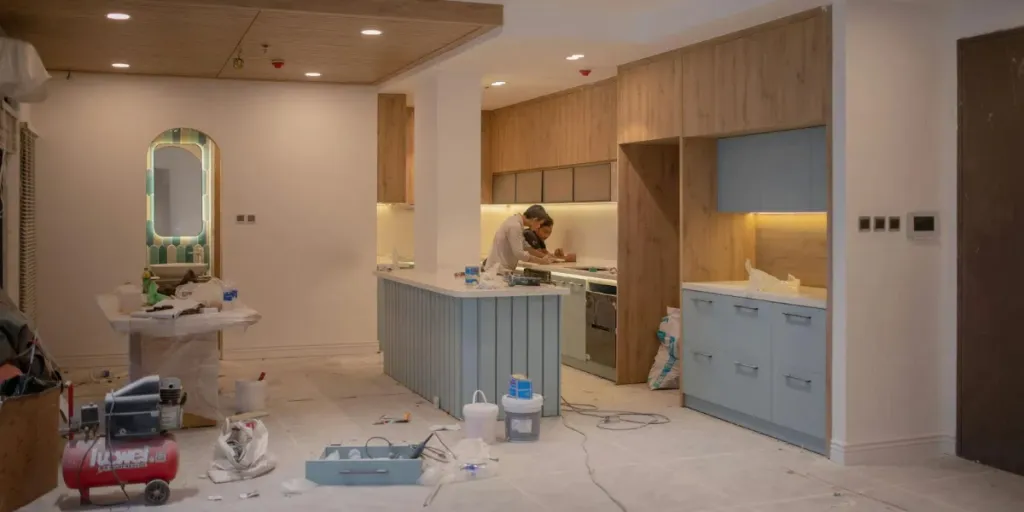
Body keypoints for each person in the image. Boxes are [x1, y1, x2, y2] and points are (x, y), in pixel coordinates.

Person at [484, 205, 555, 272]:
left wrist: (544, 257)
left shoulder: (516, 223)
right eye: (539, 224)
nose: (538, 226)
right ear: (535, 220)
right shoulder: (515, 226)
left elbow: (526, 247)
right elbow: (519, 254)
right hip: (498, 271)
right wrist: (541, 261)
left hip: (499, 270)